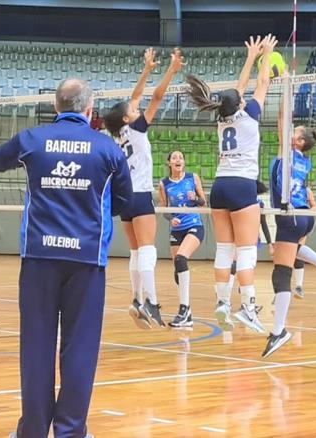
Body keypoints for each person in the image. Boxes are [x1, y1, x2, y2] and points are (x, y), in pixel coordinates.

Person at [0, 78, 132, 438]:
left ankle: (33, 431)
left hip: (39, 256)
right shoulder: (109, 149)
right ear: (89, 109)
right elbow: (126, 202)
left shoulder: (31, 140)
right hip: (86, 259)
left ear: (55, 107)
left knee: (36, 344)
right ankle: (71, 431)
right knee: (80, 347)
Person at [184, 34, 276, 333]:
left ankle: (222, 303)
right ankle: (248, 308)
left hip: (220, 185)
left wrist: (251, 56)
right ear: (240, 104)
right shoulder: (249, 116)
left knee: (225, 249)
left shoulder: (222, 118)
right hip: (241, 185)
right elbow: (261, 84)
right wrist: (265, 56)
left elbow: (236, 90)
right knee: (246, 250)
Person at [104, 47, 183, 329]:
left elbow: (135, 97)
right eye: (133, 111)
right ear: (128, 118)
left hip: (123, 198)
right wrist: (172, 70)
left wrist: (147, 70)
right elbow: (156, 97)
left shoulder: (115, 133)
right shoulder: (136, 128)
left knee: (136, 251)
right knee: (147, 250)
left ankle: (137, 299)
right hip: (139, 196)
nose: (136, 109)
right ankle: (150, 301)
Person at [263, 125, 316, 357]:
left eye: (295, 131)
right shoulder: (304, 160)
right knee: (290, 254)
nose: (290, 131)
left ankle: (278, 331)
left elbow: (282, 124)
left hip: (290, 215)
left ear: (299, 142)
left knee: (281, 273)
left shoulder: (290, 154)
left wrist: (284, 91)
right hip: (301, 215)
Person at [157, 150, 207, 329]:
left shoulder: (193, 178)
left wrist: (197, 199)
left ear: (184, 162)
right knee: (177, 269)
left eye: (181, 157)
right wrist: (171, 219)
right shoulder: (163, 184)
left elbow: (204, 202)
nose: (178, 160)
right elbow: (164, 210)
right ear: (169, 163)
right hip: (176, 229)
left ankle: (184, 309)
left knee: (180, 259)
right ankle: (188, 316)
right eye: (174, 158)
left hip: (194, 225)